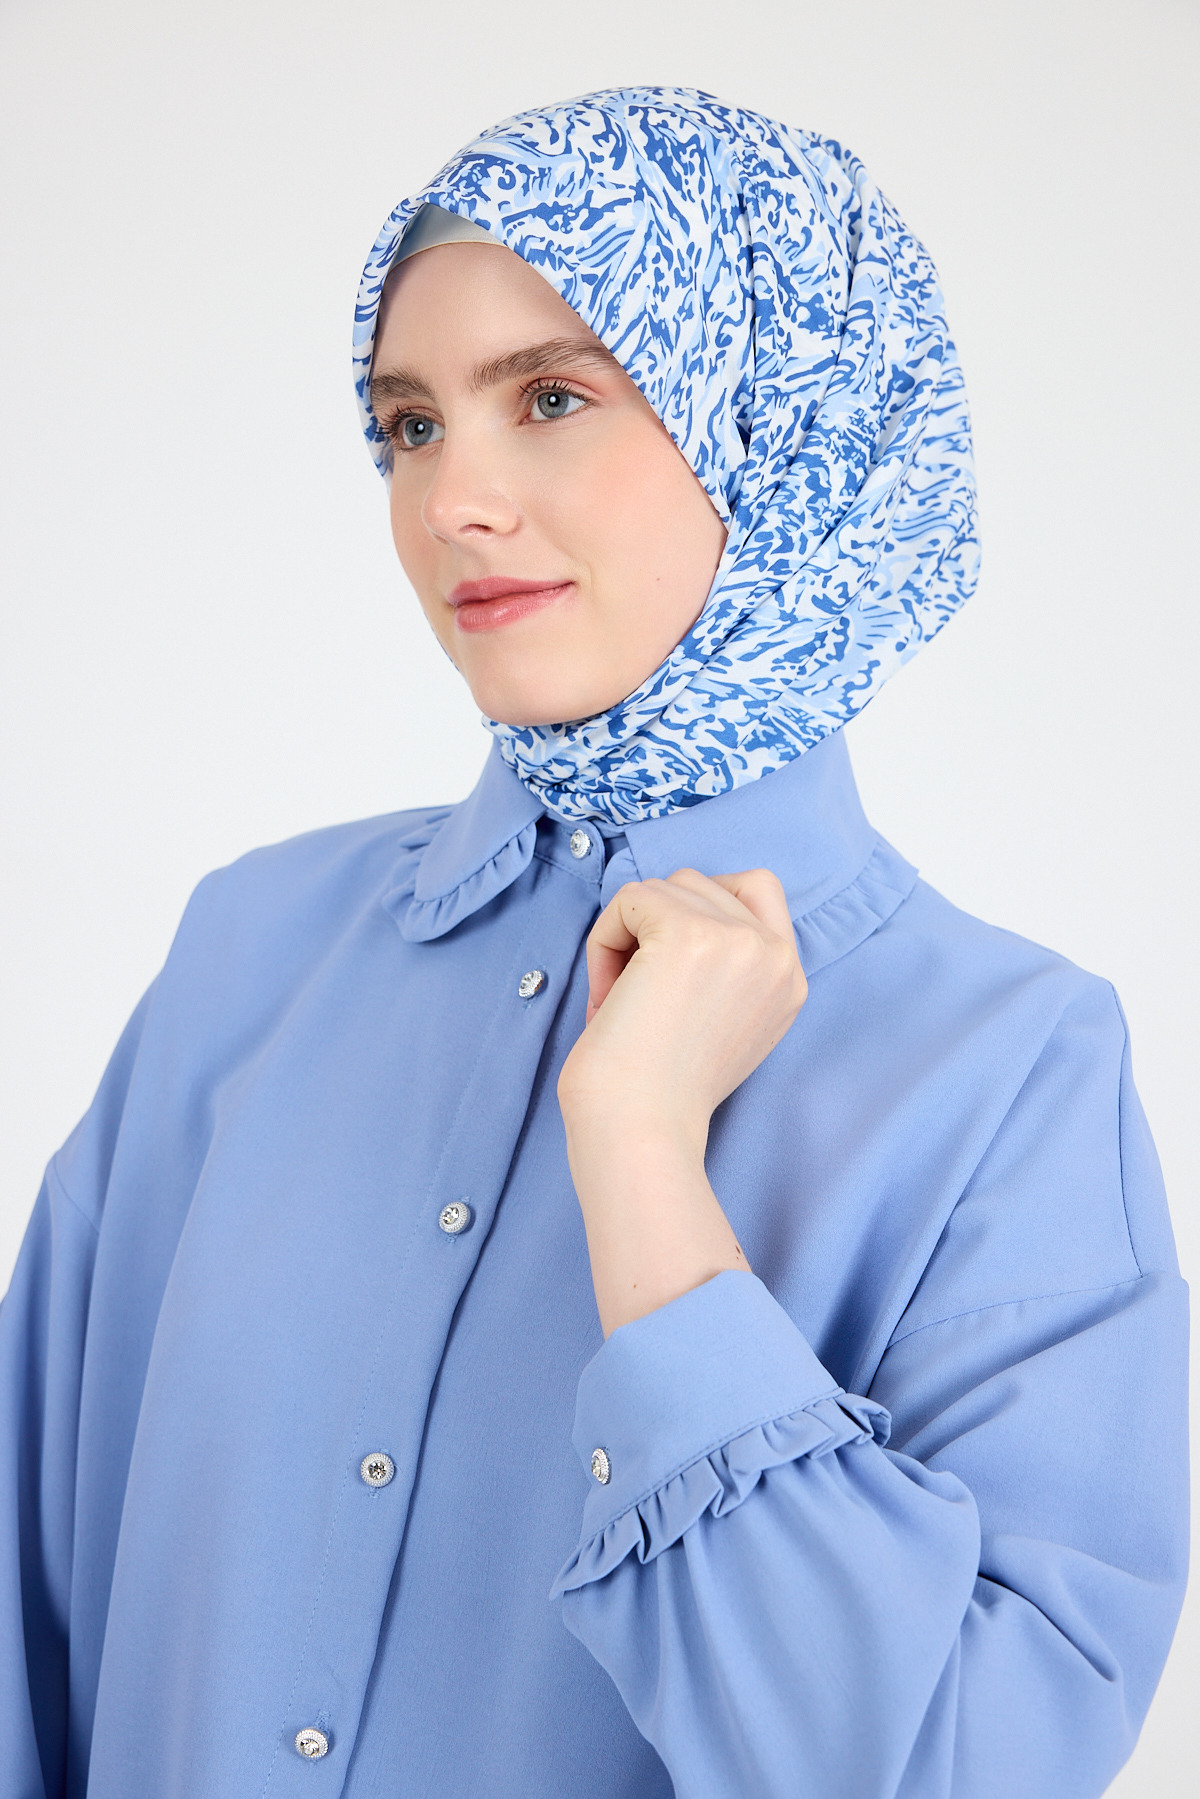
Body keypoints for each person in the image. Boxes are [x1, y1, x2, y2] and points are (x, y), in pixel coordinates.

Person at [0, 87, 1187, 1799]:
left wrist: (646, 1180)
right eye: (409, 425)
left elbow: (946, 1762)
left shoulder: (1007, 1071)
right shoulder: (253, 949)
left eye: (552, 398)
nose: (450, 502)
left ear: (778, 424)